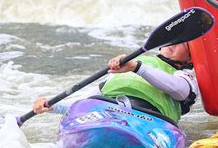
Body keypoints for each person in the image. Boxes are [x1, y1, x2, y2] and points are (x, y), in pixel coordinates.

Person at [33, 42, 198, 123]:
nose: (173, 43)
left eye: (182, 43)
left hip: (150, 121)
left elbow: (180, 90)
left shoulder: (185, 75)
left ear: (191, 58)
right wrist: (53, 106)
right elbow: (86, 101)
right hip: (109, 111)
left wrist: (136, 68)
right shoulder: (132, 63)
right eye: (173, 39)